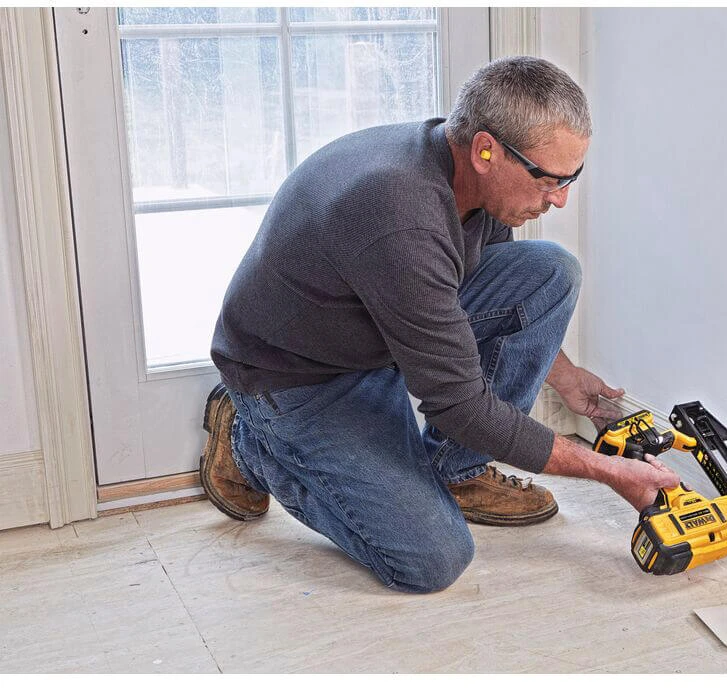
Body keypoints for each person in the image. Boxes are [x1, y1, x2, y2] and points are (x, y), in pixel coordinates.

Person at [203, 56, 680, 593]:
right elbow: (459, 405)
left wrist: (563, 375)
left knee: (550, 271)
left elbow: (480, 291)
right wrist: (606, 470)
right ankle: (252, 444)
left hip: (373, 333)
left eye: (572, 177)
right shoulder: (401, 215)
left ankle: (457, 472)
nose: (560, 198)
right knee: (432, 560)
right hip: (297, 379)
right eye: (548, 178)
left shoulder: (470, 181)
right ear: (485, 149)